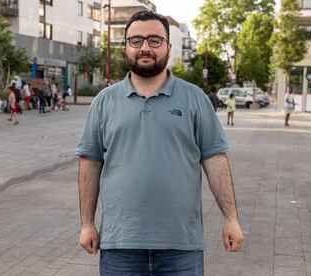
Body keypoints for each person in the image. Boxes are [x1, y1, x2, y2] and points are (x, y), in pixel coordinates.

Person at [76, 10, 243, 276]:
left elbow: (215, 160)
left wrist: (231, 218)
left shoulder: (195, 98)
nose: (145, 47)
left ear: (168, 46)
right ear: (125, 48)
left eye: (154, 40)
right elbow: (90, 163)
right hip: (120, 246)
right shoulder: (104, 102)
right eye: (136, 40)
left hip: (181, 247)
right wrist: (87, 224)